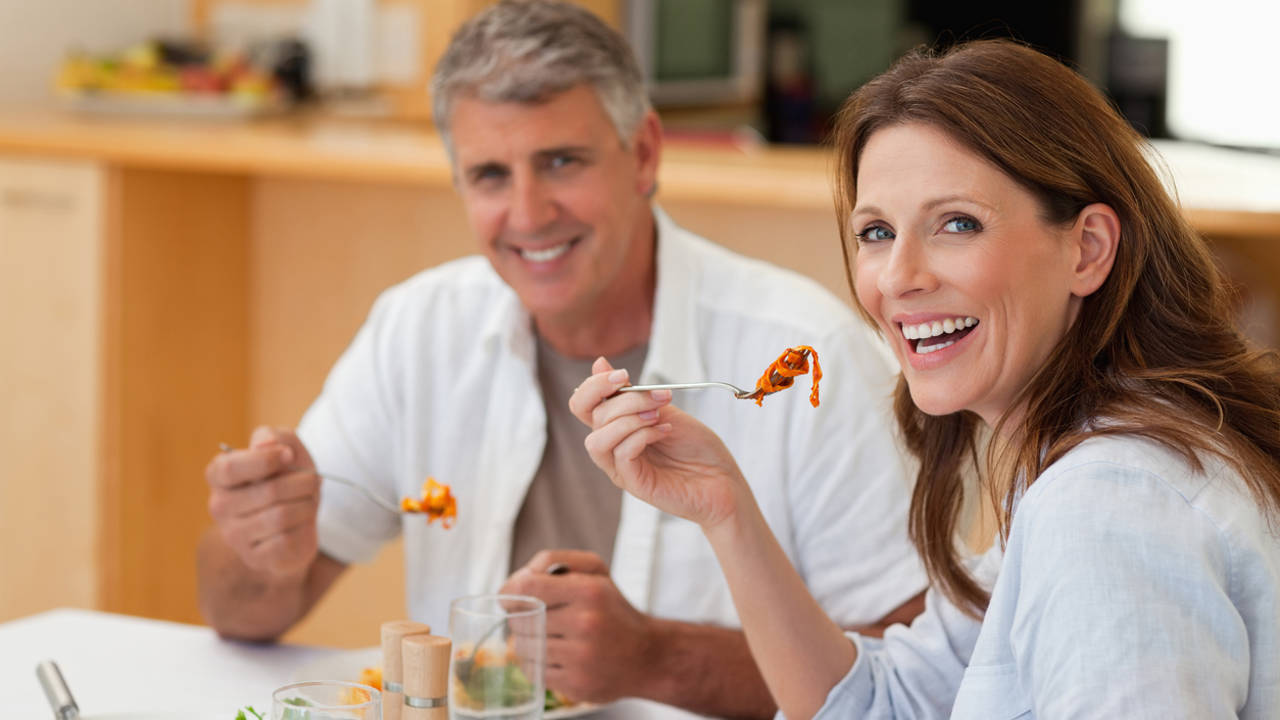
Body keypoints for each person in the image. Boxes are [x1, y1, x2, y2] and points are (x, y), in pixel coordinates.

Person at [196, 2, 927, 717]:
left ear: (643, 153)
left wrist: (656, 658)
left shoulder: (805, 357)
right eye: (489, 175)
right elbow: (240, 612)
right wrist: (262, 551)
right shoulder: (418, 330)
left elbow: (918, 679)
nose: (529, 213)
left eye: (560, 161)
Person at [572, 38, 1280, 719]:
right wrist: (725, 509)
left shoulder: (1107, 508)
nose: (899, 278)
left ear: (1088, 250)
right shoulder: (1084, 470)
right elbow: (882, 706)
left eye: (958, 224)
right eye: (876, 233)